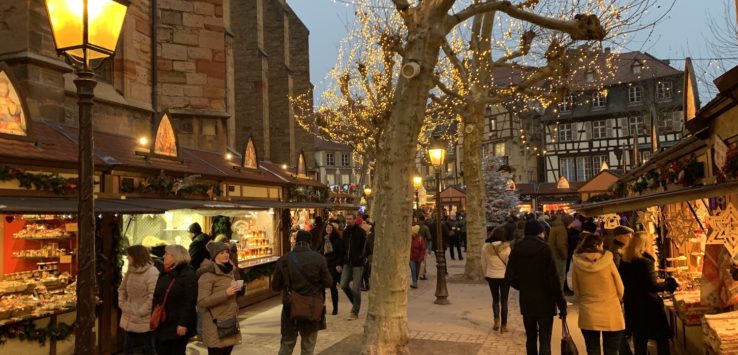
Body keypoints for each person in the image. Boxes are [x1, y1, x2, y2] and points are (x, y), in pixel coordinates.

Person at [506, 219, 567, 355]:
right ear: (539, 233)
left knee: (531, 338)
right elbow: (554, 279)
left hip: (527, 300)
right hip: (545, 301)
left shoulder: (517, 249)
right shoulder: (545, 249)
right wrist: (561, 304)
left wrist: (522, 286)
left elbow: (509, 277)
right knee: (545, 340)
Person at [272, 231, 332, 355]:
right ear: (309, 242)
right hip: (312, 307)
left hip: (290, 308)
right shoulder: (319, 259)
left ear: (295, 241)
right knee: (308, 346)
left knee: (287, 344)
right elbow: (328, 282)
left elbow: (275, 286)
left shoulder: (284, 259)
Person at [619, 231, 678, 355]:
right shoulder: (645, 262)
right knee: (661, 337)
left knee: (640, 339)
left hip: (632, 305)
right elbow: (653, 286)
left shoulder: (624, 261)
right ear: (644, 244)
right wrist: (669, 283)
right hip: (649, 306)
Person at [571, 233, 625, 355]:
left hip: (588, 311)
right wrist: (618, 299)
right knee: (611, 350)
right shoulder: (608, 260)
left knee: (592, 349)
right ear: (599, 245)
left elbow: (576, 288)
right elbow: (620, 286)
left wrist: (584, 300)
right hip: (611, 310)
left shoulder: (577, 262)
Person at [152, 245, 197, 355]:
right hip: (163, 321)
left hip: (177, 323)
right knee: (161, 350)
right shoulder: (165, 272)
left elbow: (190, 301)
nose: (163, 256)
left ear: (175, 257)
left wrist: (183, 323)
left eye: (166, 254)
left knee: (176, 351)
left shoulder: (188, 274)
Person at [197, 242, 242, 355]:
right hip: (215, 324)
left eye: (227, 252)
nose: (226, 255)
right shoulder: (207, 275)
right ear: (214, 255)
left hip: (230, 320)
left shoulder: (230, 270)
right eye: (221, 253)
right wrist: (225, 293)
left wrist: (239, 288)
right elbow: (202, 301)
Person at [119, 245, 159, 355]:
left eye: (129, 256)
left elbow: (153, 296)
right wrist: (122, 304)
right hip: (129, 316)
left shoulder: (152, 272)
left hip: (144, 319)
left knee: (149, 348)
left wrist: (141, 312)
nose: (127, 258)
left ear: (136, 257)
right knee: (127, 348)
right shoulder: (130, 271)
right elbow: (122, 289)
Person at [481, 227, 511, 333]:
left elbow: (483, 263)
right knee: (504, 301)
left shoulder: (485, 247)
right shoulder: (507, 248)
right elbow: (509, 264)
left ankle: (496, 320)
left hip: (491, 276)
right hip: (504, 277)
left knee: (495, 299)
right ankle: (503, 326)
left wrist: (485, 274)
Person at [340, 213, 367, 320]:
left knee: (356, 288)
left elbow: (365, 247)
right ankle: (356, 303)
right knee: (343, 284)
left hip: (357, 264)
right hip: (347, 263)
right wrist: (342, 260)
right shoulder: (345, 232)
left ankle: (355, 311)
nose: (348, 221)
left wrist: (361, 257)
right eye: (347, 219)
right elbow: (343, 247)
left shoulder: (360, 232)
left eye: (350, 219)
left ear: (354, 220)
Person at [322, 223, 345, 315]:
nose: (329, 229)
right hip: (324, 265)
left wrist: (339, 264)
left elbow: (340, 253)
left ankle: (335, 308)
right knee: (321, 288)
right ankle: (323, 308)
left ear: (333, 229)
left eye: (330, 228)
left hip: (333, 265)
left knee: (333, 287)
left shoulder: (337, 240)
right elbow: (320, 250)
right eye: (327, 227)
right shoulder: (323, 239)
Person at [547, 214, 569, 293]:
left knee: (555, 276)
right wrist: (565, 255)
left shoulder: (554, 227)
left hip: (553, 254)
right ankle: (560, 298)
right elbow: (561, 244)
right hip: (558, 256)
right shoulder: (561, 229)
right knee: (560, 276)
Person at [416, 215, 432, 279]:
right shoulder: (425, 227)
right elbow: (429, 237)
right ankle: (422, 274)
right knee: (423, 260)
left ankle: (418, 273)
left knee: (417, 260)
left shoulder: (416, 227)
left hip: (416, 245)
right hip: (424, 245)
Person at [361, 222, 374, 292]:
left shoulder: (368, 237)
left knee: (365, 271)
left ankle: (365, 284)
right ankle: (365, 284)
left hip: (366, 256)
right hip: (366, 256)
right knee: (365, 271)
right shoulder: (367, 237)